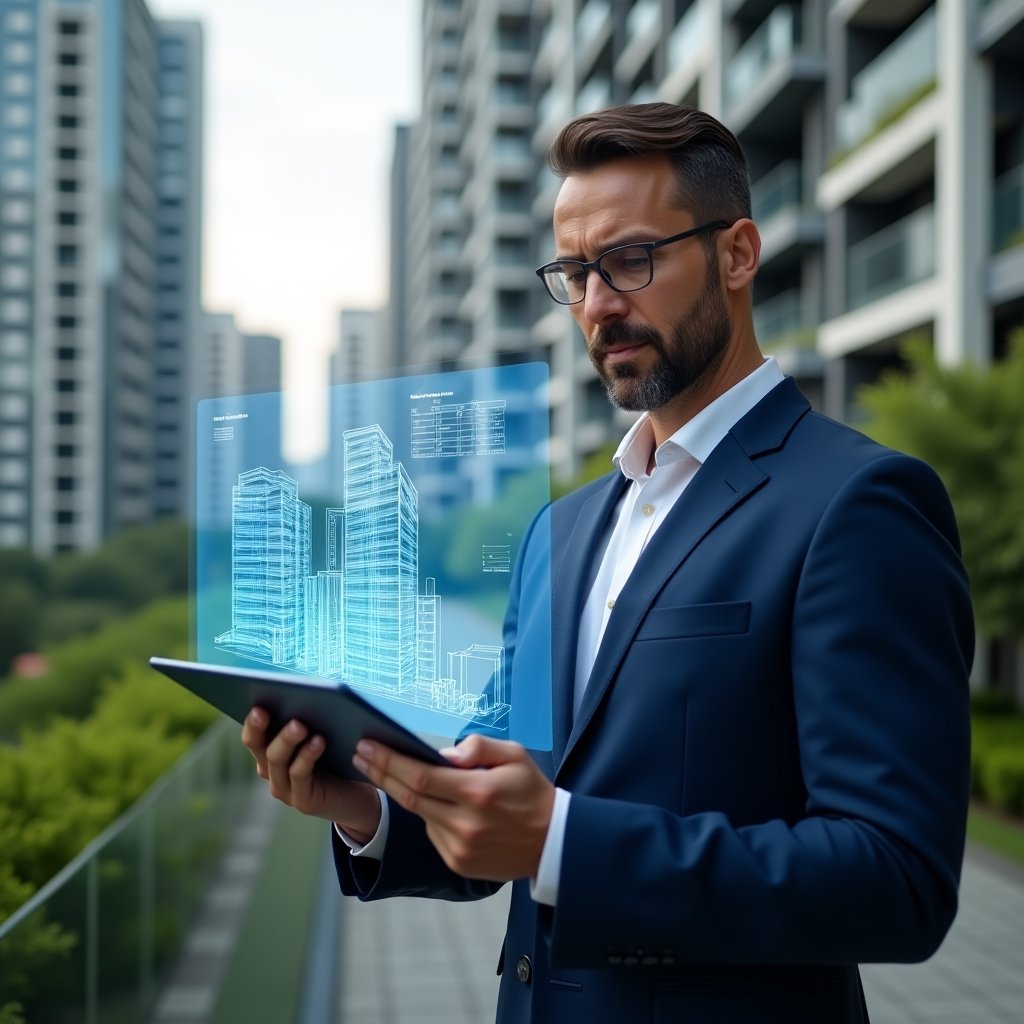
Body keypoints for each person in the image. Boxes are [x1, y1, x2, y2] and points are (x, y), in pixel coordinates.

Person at [242, 103, 973, 1023]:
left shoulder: (860, 504)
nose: (597, 304)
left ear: (738, 254)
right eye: (576, 273)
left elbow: (896, 880)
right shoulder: (561, 530)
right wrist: (370, 806)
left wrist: (563, 843)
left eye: (631, 260)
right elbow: (505, 802)